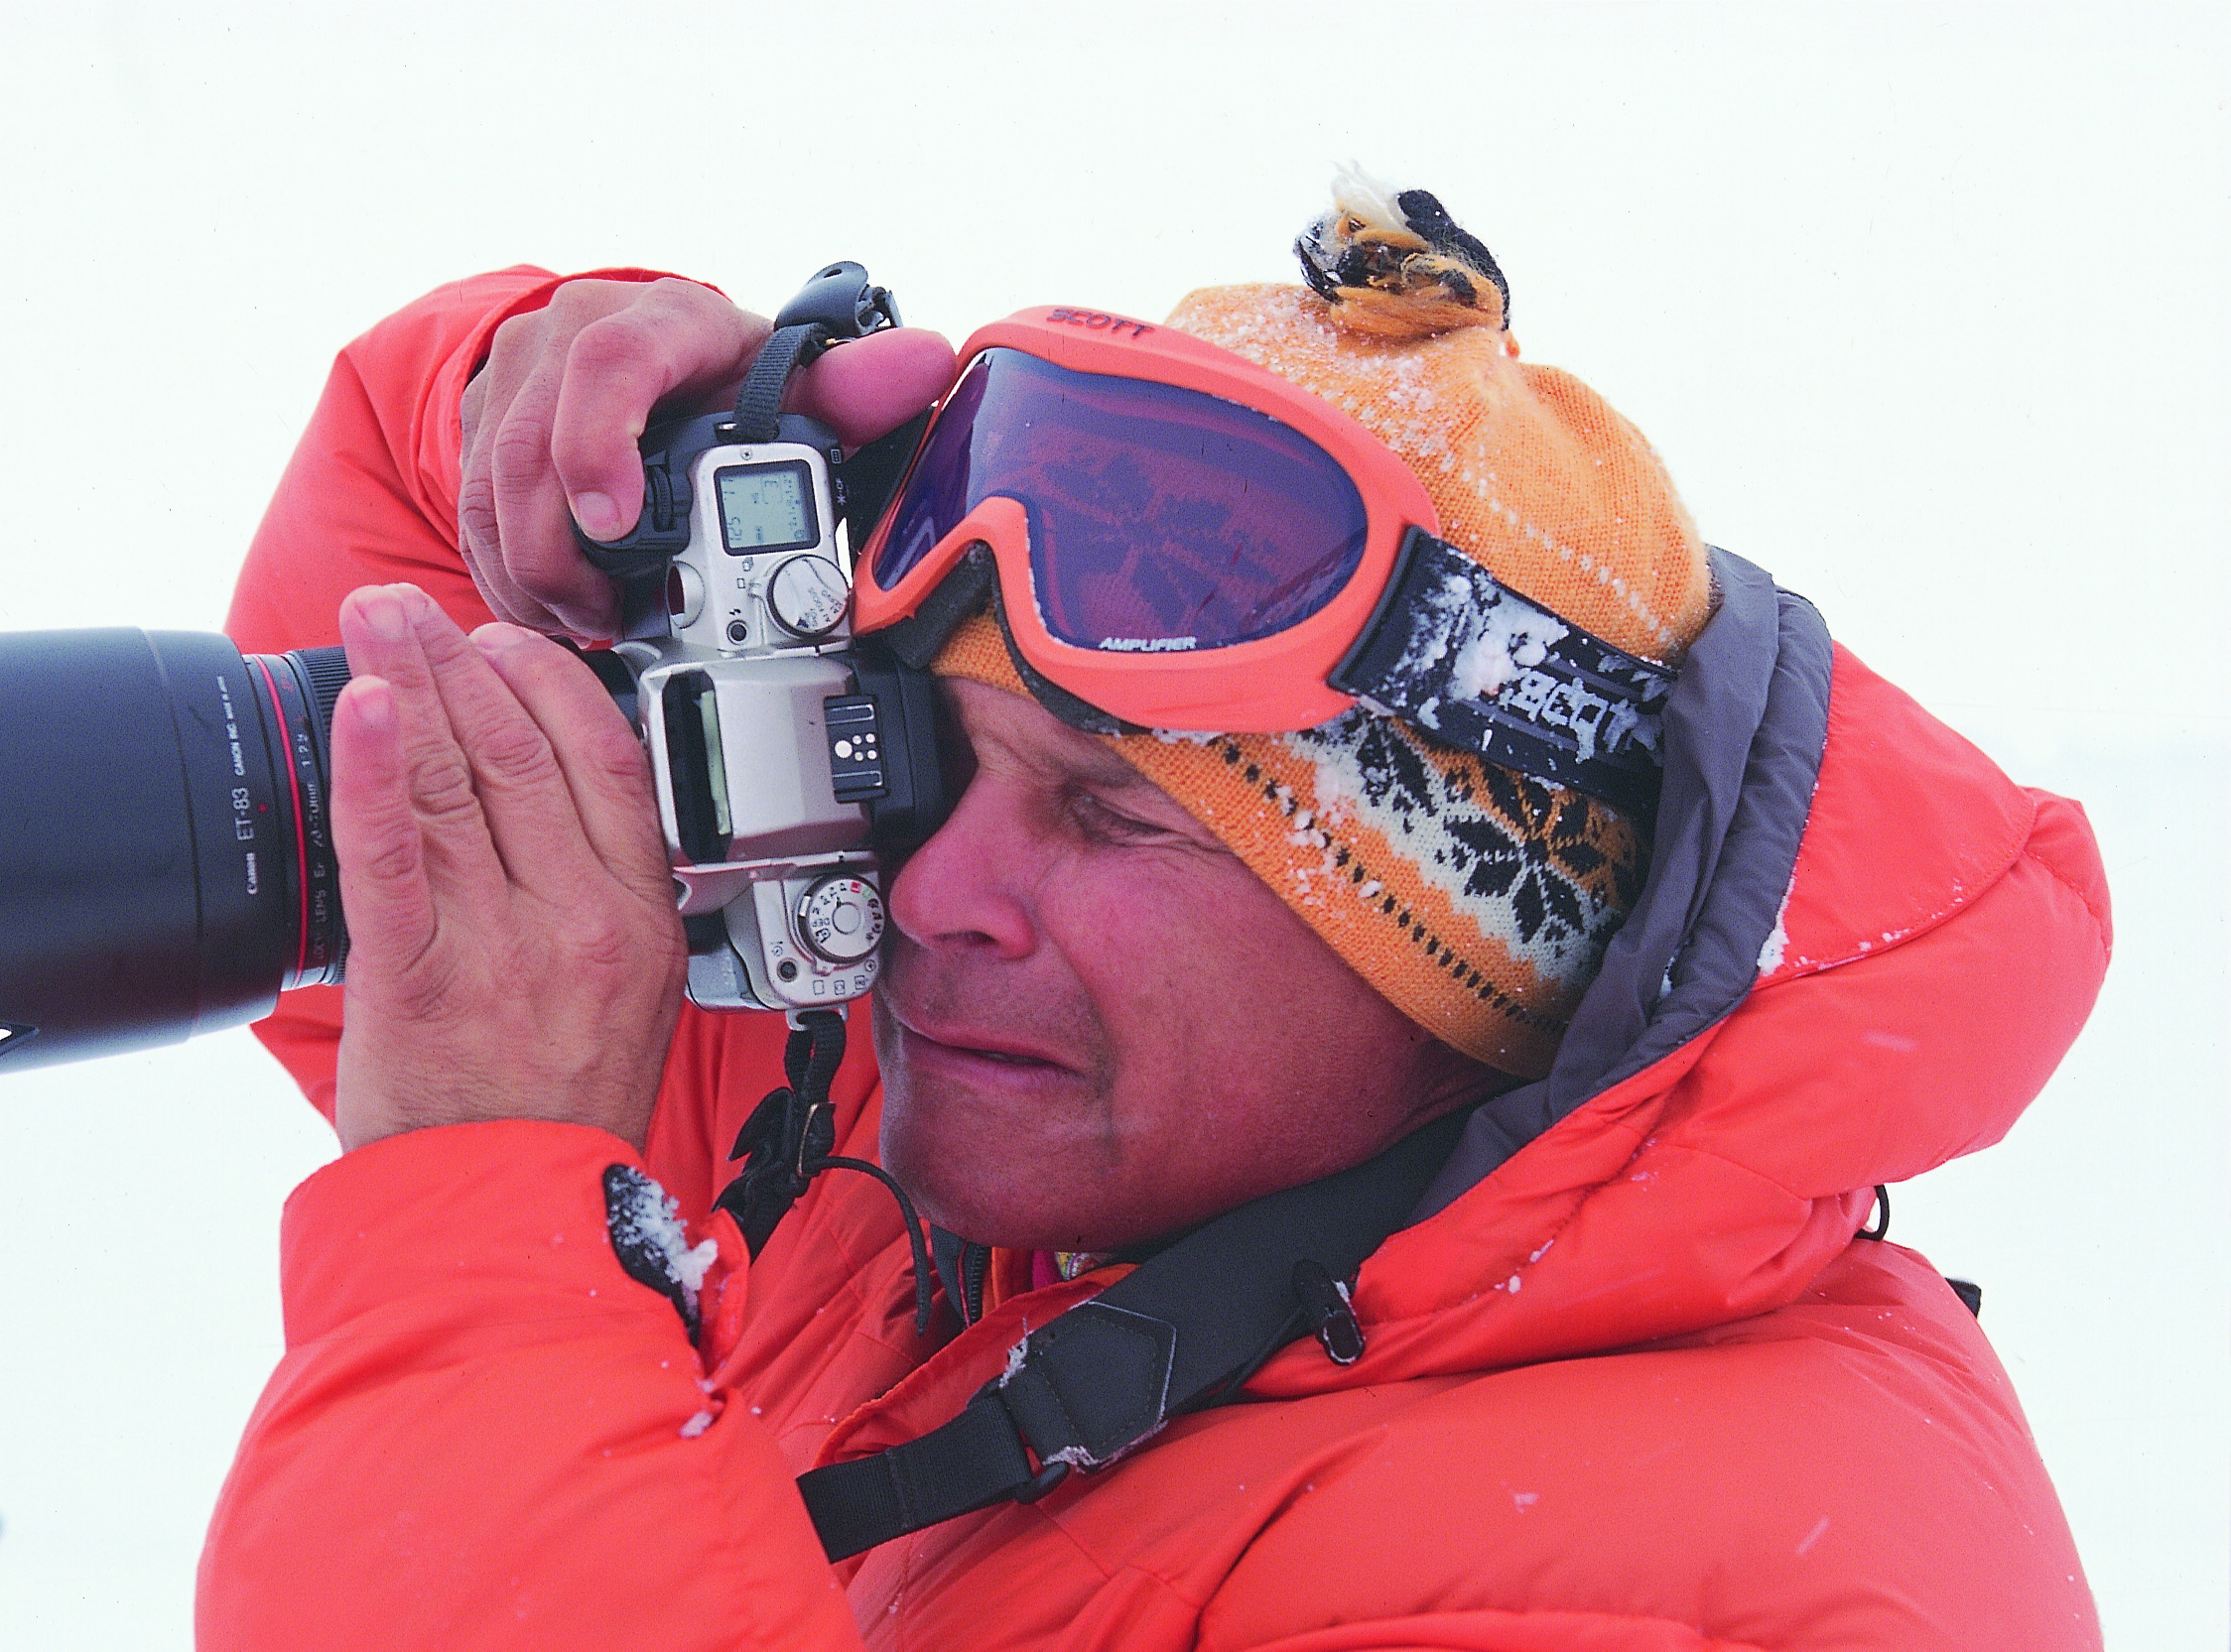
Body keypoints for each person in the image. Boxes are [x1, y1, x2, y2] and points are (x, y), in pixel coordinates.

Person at [197, 176, 2111, 1649]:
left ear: (1469, 978)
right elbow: (350, 685)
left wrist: (490, 1240)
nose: (935, 894)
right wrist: (558, 423)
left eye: (1114, 818)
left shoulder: (1650, 1586)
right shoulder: (956, 1206)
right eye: (951, 759)